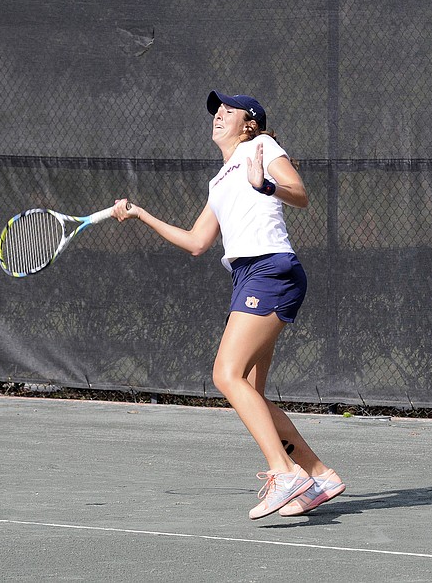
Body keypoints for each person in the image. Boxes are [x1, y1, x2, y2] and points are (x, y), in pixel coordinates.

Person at [112, 91, 345, 520]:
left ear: (249, 123)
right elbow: (198, 242)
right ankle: (320, 475)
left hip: (270, 269)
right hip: (246, 276)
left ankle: (285, 473)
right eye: (215, 111)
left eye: (227, 110)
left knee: (225, 374)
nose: (217, 114)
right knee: (251, 393)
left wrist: (266, 184)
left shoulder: (261, 148)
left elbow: (299, 193)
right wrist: (142, 215)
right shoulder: (218, 181)